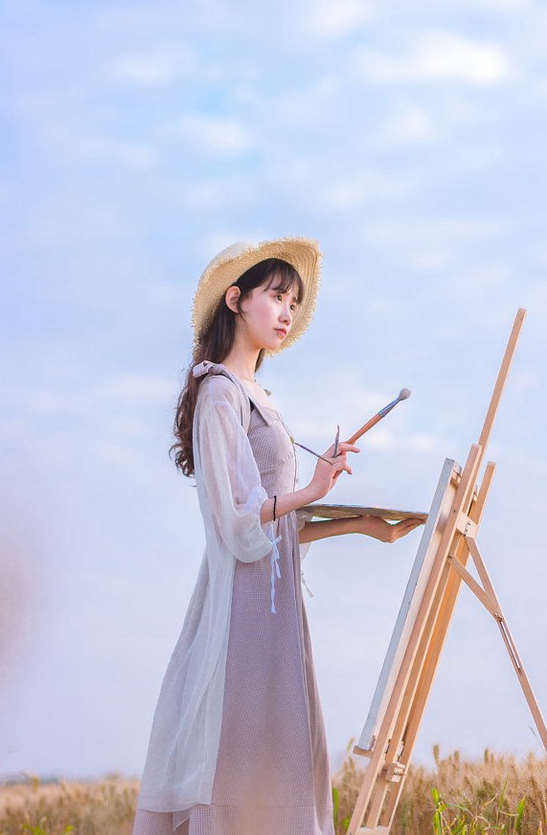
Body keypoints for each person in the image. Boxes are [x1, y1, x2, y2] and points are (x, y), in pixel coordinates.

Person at [132, 238, 421, 835]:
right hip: (242, 611)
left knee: (280, 758)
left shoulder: (261, 398)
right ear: (235, 300)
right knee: (242, 764)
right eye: (276, 296)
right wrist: (313, 492)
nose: (287, 312)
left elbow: (280, 526)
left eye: (294, 301)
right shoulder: (219, 393)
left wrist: (360, 525)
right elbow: (240, 518)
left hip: (274, 607)